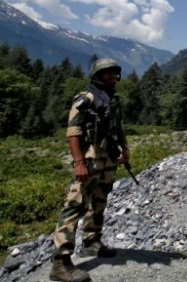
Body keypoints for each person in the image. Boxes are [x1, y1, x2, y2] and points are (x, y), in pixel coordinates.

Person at [50, 58, 129, 282]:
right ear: (97, 75)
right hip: (90, 159)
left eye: (114, 73)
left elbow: (118, 128)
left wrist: (125, 150)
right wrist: (79, 163)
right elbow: (73, 132)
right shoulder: (85, 99)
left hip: (107, 159)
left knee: (99, 201)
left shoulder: (113, 99)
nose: (111, 76)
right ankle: (60, 262)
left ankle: (92, 242)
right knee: (75, 205)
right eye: (106, 73)